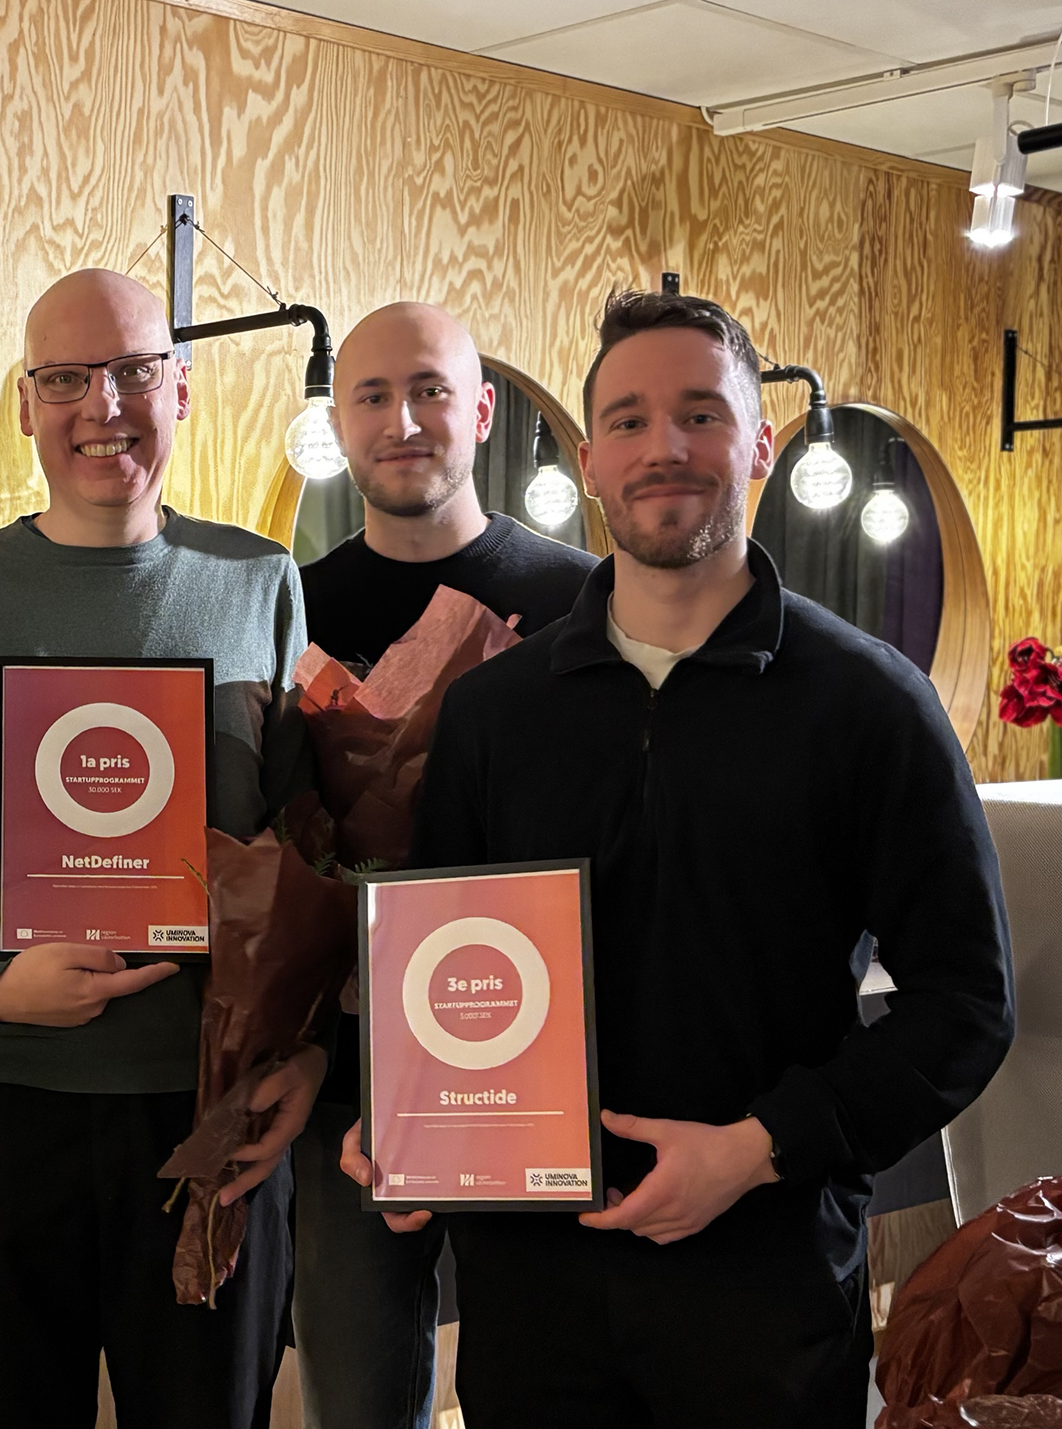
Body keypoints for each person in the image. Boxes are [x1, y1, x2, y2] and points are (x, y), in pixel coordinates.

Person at [344, 289, 1013, 1426]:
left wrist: (758, 1149)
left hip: (765, 1281)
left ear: (758, 443)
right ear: (590, 462)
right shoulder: (495, 713)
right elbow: (438, 967)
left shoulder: (869, 705)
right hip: (534, 1290)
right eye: (628, 420)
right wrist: (409, 1124)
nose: (663, 448)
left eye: (700, 414)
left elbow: (966, 1006)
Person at [0, 268, 320, 1429]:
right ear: (24, 404)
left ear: (180, 388)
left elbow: (305, 851)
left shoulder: (257, 581)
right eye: (63, 378)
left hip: (207, 1112)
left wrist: (304, 1053)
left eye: (133, 370)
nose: (101, 404)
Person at [293, 301, 596, 1429]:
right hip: (343, 1077)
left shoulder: (584, 597)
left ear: (480, 409)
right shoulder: (293, 602)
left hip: (538, 1061)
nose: (402, 421)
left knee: (541, 1384)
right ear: (338, 421)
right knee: (356, 1393)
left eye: (428, 390)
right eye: (371, 396)